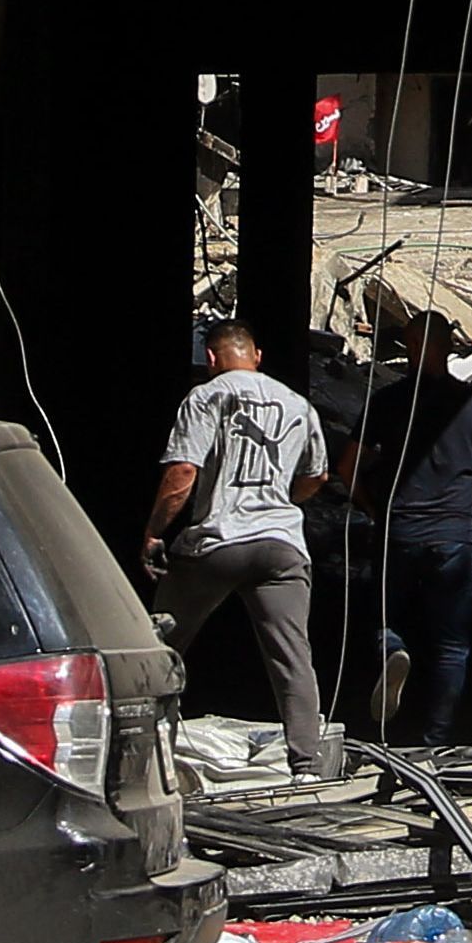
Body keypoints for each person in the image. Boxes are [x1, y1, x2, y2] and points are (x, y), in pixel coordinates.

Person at [144, 321, 339, 780]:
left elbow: (183, 473)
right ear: (257, 355)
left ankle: (143, 756)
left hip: (219, 539)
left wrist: (154, 531)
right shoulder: (298, 404)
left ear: (211, 359)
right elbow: (318, 477)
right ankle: (305, 765)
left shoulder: (207, 396)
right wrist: (281, 503)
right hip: (281, 544)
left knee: (159, 647)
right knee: (292, 656)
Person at [340, 312, 472, 745]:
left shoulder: (388, 400)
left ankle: (392, 650)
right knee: (452, 645)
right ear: (450, 347)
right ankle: (437, 739)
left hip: (400, 532)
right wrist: (467, 505)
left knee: (384, 620)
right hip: (453, 536)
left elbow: (347, 466)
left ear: (409, 347)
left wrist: (375, 509)